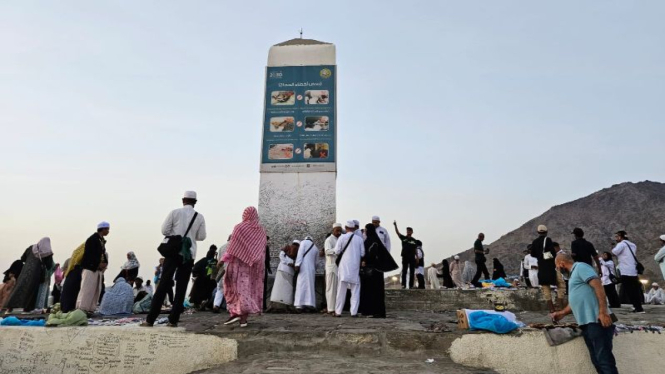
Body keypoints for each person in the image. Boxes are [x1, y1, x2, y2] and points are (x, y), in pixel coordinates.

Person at [142, 191, 207, 327]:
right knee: (181, 287)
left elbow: (164, 230)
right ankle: (173, 320)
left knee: (163, 285)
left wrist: (176, 235)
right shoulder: (199, 217)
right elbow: (201, 236)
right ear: (195, 202)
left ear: (183, 200)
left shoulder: (175, 212)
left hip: (173, 253)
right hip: (189, 255)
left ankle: (150, 319)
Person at [551, 253, 618, 374]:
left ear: (561, 264)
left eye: (557, 267)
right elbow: (575, 300)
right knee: (597, 360)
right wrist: (562, 313)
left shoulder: (581, 267)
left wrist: (603, 312)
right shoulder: (573, 276)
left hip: (597, 321)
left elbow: (598, 286)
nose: (558, 270)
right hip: (587, 323)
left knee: (604, 360)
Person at [220, 207, 267, 327]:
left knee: (234, 288)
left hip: (239, 265)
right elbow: (262, 251)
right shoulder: (261, 231)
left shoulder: (239, 228)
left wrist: (221, 261)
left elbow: (232, 248)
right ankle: (243, 320)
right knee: (248, 290)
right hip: (254, 268)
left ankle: (235, 313)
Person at [4, 237, 55, 313]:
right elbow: (49, 265)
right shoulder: (47, 252)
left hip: (25, 272)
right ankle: (27, 308)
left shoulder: (31, 248)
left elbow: (22, 258)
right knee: (32, 291)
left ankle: (10, 307)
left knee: (19, 288)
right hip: (36, 274)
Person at [359, 224, 398, 318]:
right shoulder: (373, 240)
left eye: (366, 230)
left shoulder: (372, 241)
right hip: (375, 271)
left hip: (372, 271)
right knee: (373, 291)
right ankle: (371, 311)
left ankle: (376, 312)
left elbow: (371, 255)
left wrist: (364, 260)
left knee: (373, 291)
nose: (365, 232)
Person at [76, 222, 110, 315]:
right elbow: (89, 255)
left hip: (97, 270)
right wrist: (97, 264)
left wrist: (104, 263)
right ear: (102, 229)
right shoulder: (92, 240)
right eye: (107, 229)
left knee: (96, 290)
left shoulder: (101, 241)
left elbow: (102, 254)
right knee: (87, 289)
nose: (108, 231)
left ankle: (90, 309)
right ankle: (82, 309)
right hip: (90, 268)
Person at [531, 225, 565, 312]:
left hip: (541, 267)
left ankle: (551, 308)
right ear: (546, 232)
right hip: (550, 266)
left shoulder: (534, 242)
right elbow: (553, 253)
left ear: (538, 232)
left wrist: (540, 257)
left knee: (545, 287)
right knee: (561, 284)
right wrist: (545, 256)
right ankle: (560, 305)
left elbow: (532, 254)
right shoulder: (548, 240)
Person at [334, 221, 365, 317]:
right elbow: (362, 253)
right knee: (355, 291)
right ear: (354, 228)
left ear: (346, 227)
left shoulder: (342, 237)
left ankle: (338, 312)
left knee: (341, 291)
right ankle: (354, 312)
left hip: (343, 267)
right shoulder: (359, 239)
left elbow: (336, 251)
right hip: (354, 268)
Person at [611, 230, 644, 313]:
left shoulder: (621, 244)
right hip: (633, 270)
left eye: (617, 237)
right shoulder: (633, 245)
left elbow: (614, 252)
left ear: (620, 236)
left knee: (629, 290)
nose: (616, 238)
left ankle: (638, 308)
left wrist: (613, 247)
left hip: (625, 270)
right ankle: (637, 306)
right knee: (635, 289)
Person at [270, 240, 298, 308]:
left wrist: (287, 262)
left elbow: (281, 256)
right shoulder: (296, 252)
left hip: (282, 270)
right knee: (287, 288)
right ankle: (286, 304)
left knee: (279, 287)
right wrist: (289, 263)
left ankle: (279, 303)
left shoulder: (285, 250)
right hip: (288, 271)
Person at [294, 236, 319, 312]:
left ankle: (299, 305)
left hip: (303, 267)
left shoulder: (303, 243)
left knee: (301, 285)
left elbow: (300, 254)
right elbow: (316, 263)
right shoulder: (315, 248)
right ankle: (310, 303)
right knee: (310, 286)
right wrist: (314, 268)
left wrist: (297, 264)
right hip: (311, 269)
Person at [190, 245, 218, 310]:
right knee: (209, 293)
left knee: (199, 293)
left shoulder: (203, 260)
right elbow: (214, 271)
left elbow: (195, 268)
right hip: (210, 280)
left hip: (200, 279)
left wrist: (196, 275)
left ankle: (198, 304)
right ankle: (207, 305)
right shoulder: (214, 261)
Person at [322, 223, 342, 314]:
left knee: (337, 289)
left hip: (338, 267)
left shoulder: (340, 239)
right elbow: (327, 251)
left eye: (340, 230)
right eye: (337, 230)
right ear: (333, 230)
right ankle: (330, 308)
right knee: (331, 288)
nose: (338, 232)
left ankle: (336, 308)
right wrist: (336, 251)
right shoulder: (329, 240)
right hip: (331, 267)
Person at [59, 243, 85, 312]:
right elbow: (63, 269)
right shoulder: (78, 270)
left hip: (64, 307)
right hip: (70, 307)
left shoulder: (73, 267)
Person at [393, 221, 417, 289]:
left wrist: (417, 257)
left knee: (412, 271)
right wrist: (395, 226)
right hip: (405, 256)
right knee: (404, 271)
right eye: (407, 231)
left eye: (409, 231)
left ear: (412, 232)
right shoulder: (403, 238)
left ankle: (411, 285)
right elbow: (398, 233)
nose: (408, 232)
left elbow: (415, 249)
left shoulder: (414, 240)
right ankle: (403, 285)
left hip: (412, 257)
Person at [263, 237, 272, 311]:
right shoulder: (265, 247)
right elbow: (267, 259)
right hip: (263, 269)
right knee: (263, 288)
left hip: (255, 270)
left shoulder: (255, 245)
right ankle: (263, 305)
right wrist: (269, 268)